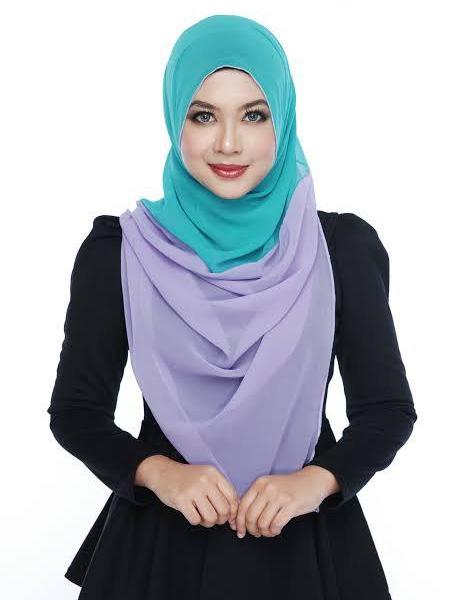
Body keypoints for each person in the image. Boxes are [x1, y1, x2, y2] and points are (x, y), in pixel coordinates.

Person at [47, 14, 417, 600]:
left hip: (307, 546)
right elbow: (76, 412)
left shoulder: (339, 250)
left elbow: (387, 409)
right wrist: (160, 473)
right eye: (203, 116)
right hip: (162, 549)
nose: (227, 143)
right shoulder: (121, 253)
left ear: (282, 121)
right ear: (175, 119)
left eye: (253, 115)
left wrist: (315, 482)